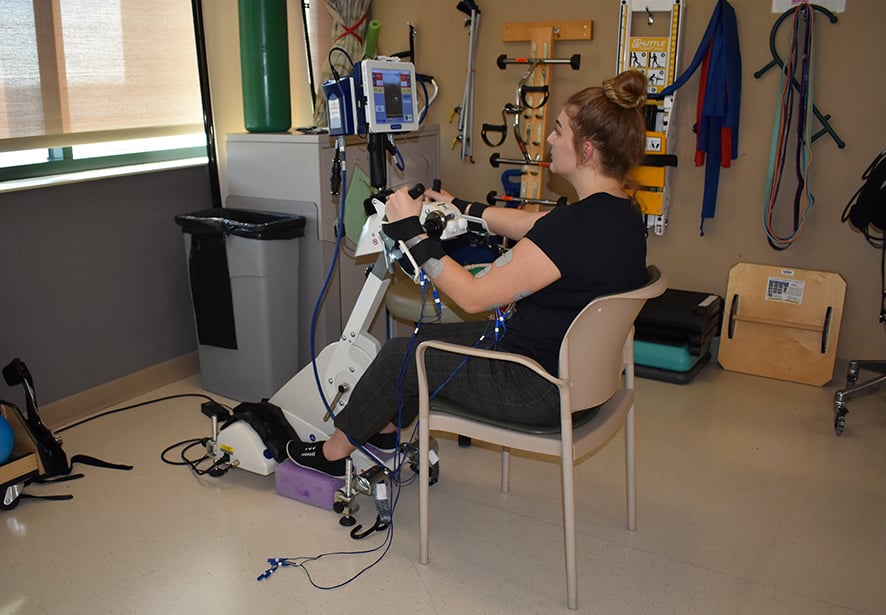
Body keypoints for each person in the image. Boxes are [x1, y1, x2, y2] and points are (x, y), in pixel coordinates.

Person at [286, 70, 650, 478]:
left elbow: (474, 298)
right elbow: (528, 224)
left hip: (534, 386)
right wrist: (462, 207)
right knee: (421, 342)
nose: (549, 138)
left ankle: (332, 456)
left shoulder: (573, 228)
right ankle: (383, 434)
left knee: (398, 358)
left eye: (559, 130)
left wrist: (411, 231)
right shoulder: (623, 215)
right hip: (577, 381)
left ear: (586, 151)